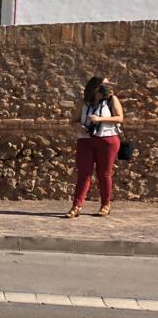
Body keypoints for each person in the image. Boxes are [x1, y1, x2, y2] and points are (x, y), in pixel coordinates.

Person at [65, 76, 124, 218]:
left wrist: (100, 119)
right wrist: (79, 126)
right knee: (84, 174)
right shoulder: (83, 102)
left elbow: (119, 118)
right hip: (86, 140)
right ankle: (76, 206)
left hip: (108, 140)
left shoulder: (111, 100)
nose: (108, 86)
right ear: (96, 86)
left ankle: (105, 205)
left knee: (104, 174)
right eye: (105, 84)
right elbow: (73, 121)